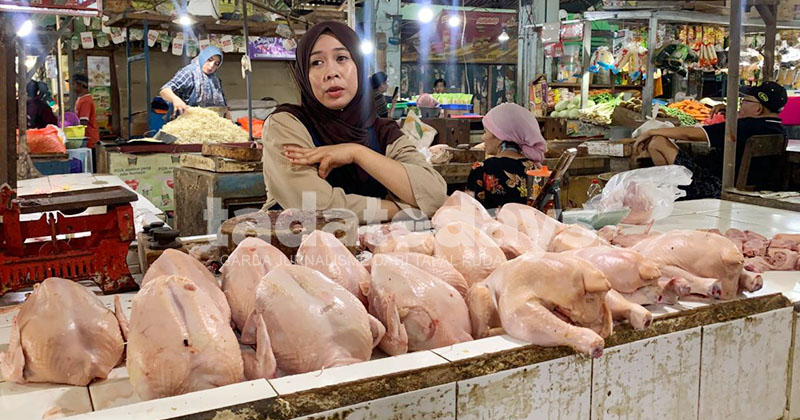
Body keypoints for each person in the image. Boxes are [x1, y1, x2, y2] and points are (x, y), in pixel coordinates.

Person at [261, 21, 447, 223]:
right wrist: (400, 209)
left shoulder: (383, 132)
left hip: (374, 252)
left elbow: (434, 195)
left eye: (341, 58)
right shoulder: (286, 125)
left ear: (359, 67)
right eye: (316, 63)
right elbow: (313, 207)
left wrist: (356, 152)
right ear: (303, 76)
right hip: (300, 251)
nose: (331, 72)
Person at [633, 81, 787, 199]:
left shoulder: (744, 126)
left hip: (712, 184)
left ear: (758, 108)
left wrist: (653, 130)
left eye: (745, 101)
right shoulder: (779, 129)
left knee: (658, 142)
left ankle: (672, 191)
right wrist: (732, 114)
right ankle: (672, 188)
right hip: (748, 184)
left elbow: (691, 134)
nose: (741, 105)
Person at [466, 103, 546, 209]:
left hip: (492, 226)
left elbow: (469, 212)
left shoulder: (482, 169)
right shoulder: (535, 168)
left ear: (500, 136)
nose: (483, 138)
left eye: (485, 132)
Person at [160, 46, 227, 116]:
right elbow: (164, 90)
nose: (211, 66)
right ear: (203, 57)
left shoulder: (215, 80)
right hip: (187, 121)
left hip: (208, 122)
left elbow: (223, 106)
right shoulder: (189, 73)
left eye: (216, 63)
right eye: (209, 60)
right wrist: (175, 99)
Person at [71, 74, 100, 148]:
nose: (72, 87)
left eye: (73, 84)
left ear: (80, 85)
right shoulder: (81, 99)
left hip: (89, 140)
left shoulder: (85, 101)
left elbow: (83, 121)